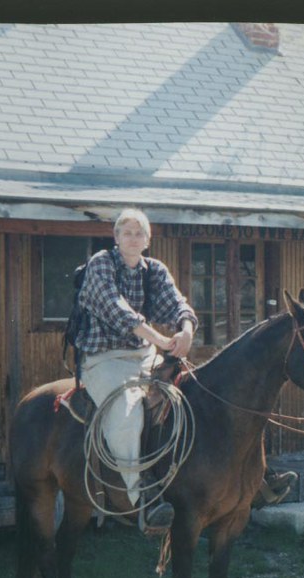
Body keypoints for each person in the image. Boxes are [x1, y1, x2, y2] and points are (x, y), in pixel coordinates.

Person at [75, 208, 197, 534]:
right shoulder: (102, 263)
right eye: (126, 232)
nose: (132, 238)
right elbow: (117, 310)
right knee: (127, 413)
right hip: (104, 359)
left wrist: (186, 329)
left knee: (194, 388)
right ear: (116, 238)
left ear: (147, 239)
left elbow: (176, 301)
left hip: (144, 356)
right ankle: (143, 498)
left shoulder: (153, 269)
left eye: (138, 233)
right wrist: (159, 338)